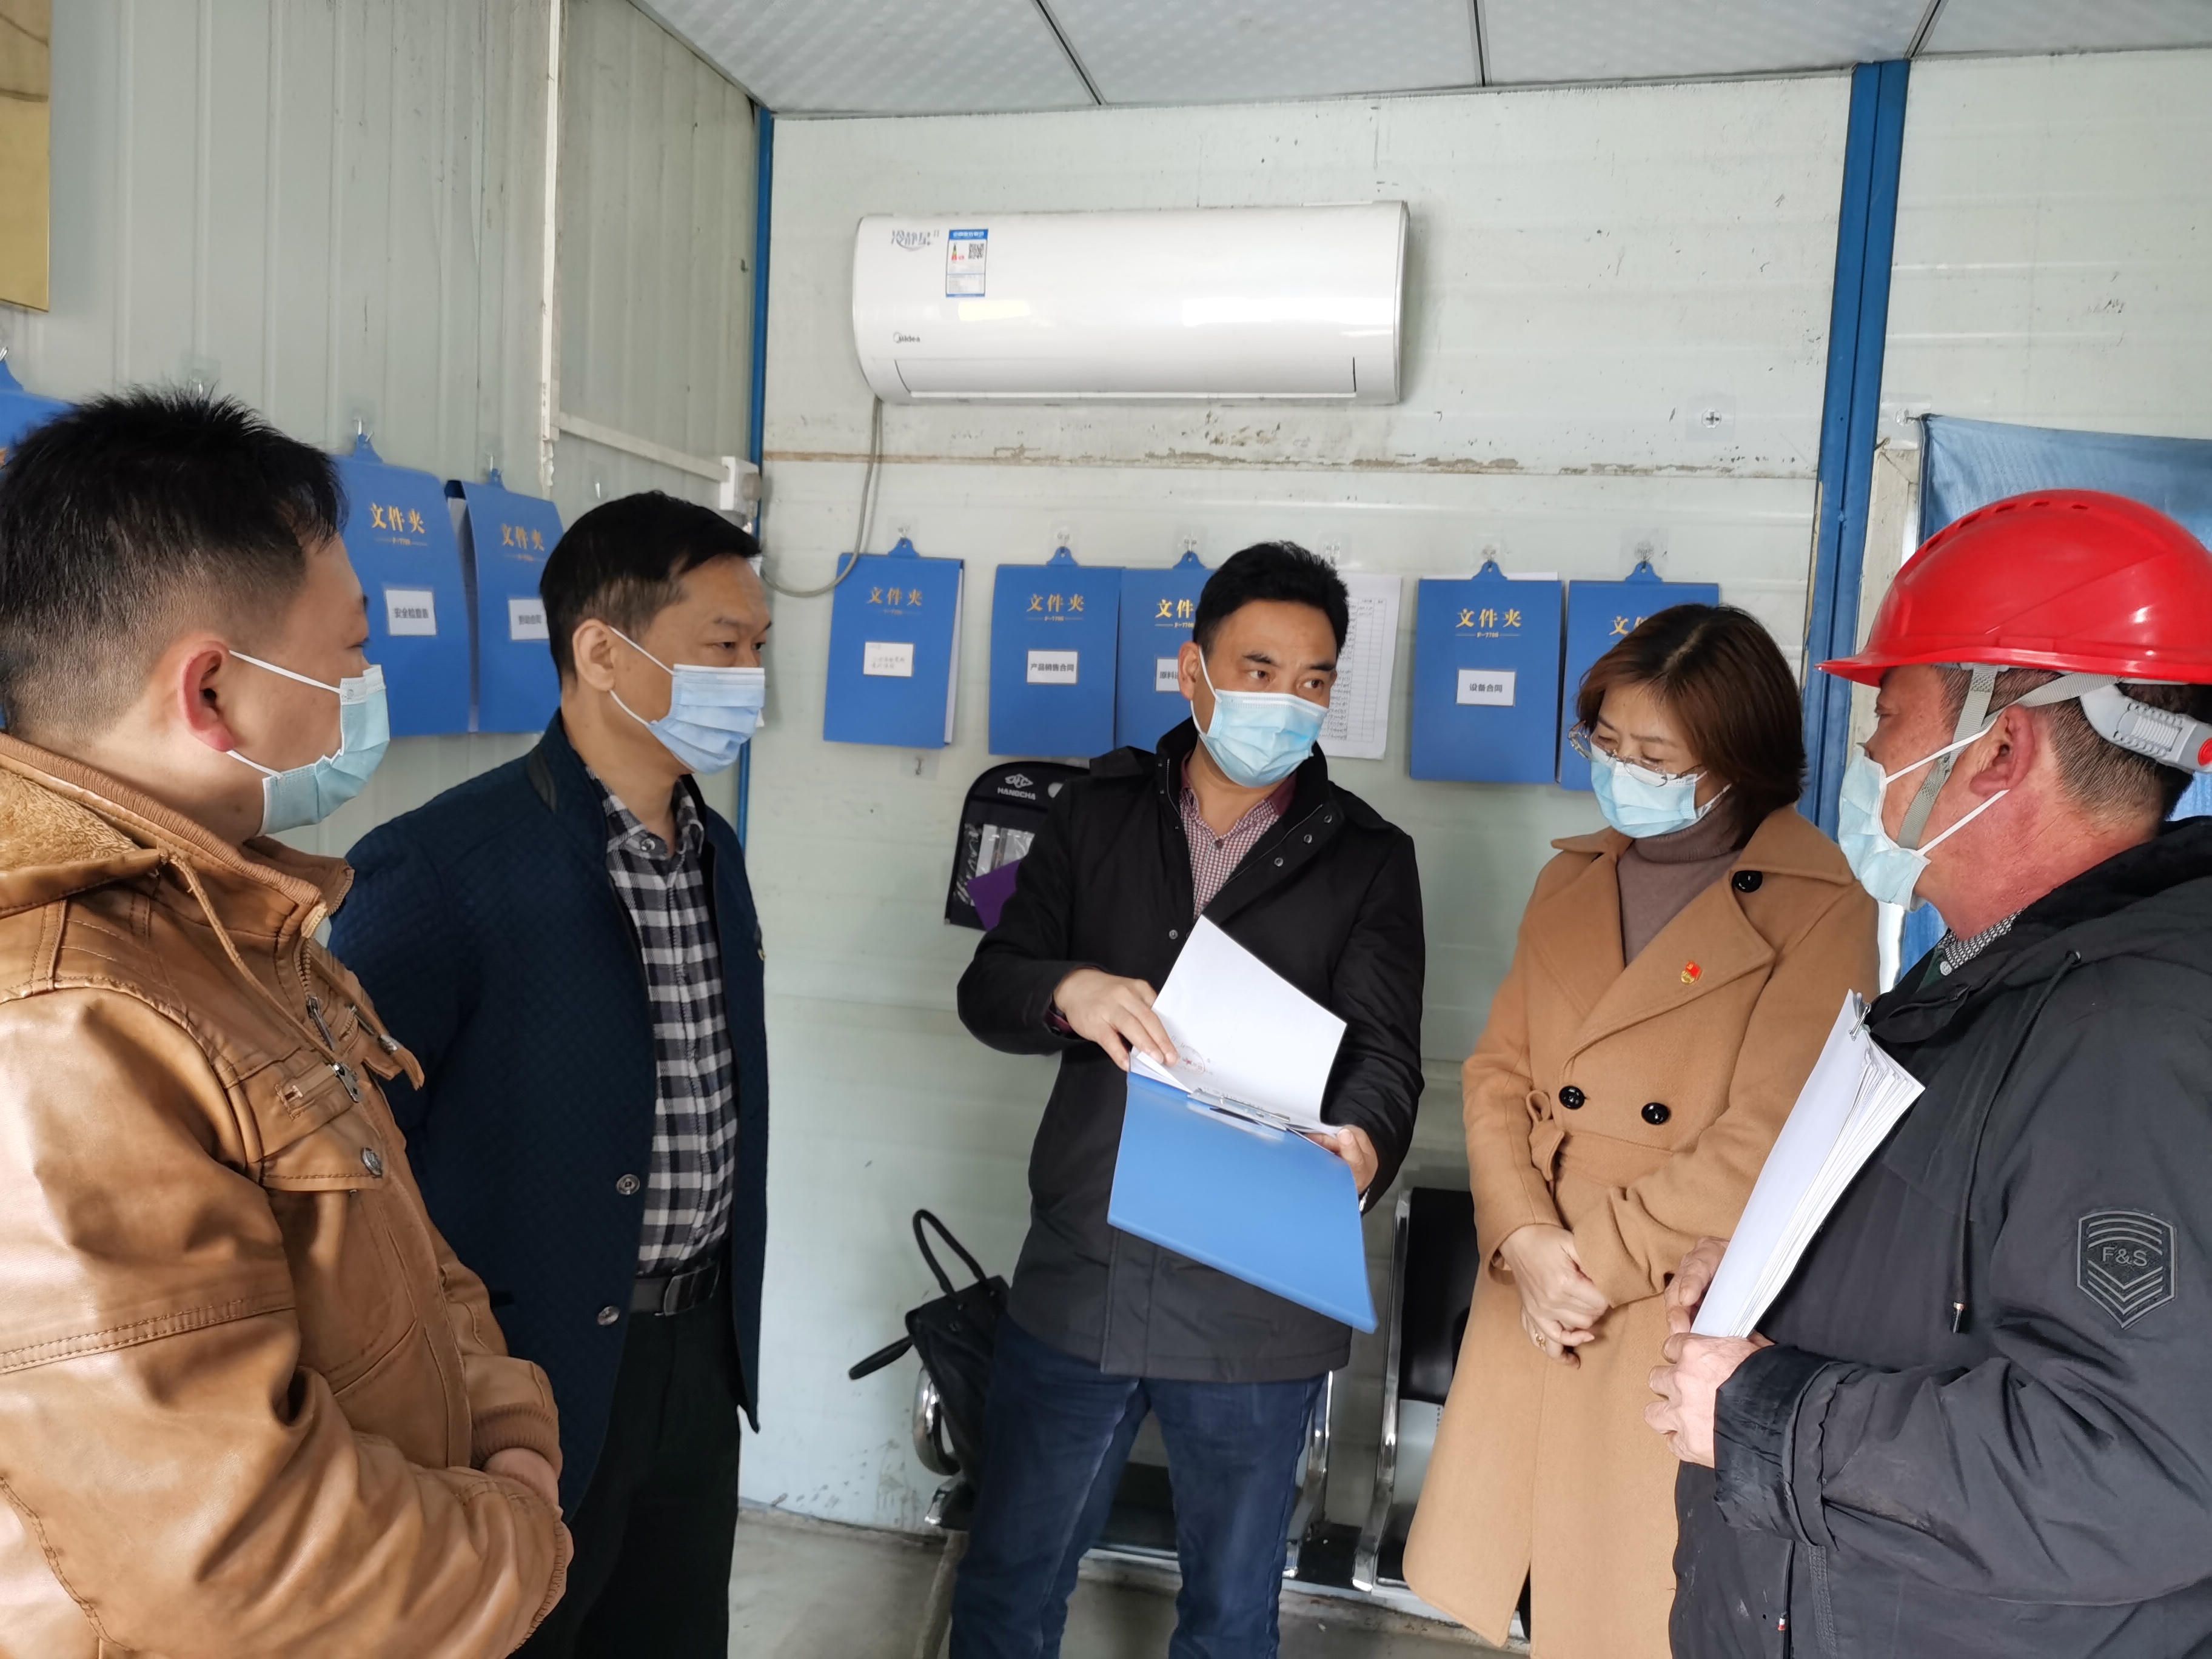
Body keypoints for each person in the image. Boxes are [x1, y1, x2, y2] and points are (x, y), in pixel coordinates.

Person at [0, 390, 568, 1655]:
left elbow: (406, 1261)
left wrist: (508, 1431)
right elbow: (236, 1564)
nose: (367, 686)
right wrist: (524, 1537)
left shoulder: (228, 928)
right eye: (351, 652)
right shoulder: (63, 1024)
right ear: (212, 692)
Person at [1650, 490, 2212, 1658]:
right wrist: (1773, 1281)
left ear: (2001, 751)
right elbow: (1969, 1270)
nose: (1866, 755)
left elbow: (2132, 1462)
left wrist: (1764, 1416)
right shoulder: (1990, 968)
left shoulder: (2131, 1035)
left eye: (1889, 716)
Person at [950, 540, 1426, 1659]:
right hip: (1086, 1267)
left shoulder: (1368, 856)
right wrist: (1068, 989)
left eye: (1313, 680)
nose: (1286, 701)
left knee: (1231, 1613)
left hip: (1257, 1291)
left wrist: (1363, 1141)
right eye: (1259, 670)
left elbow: (1386, 1055)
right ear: (1193, 670)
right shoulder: (1093, 813)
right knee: (1011, 1583)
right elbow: (990, 986)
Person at [329, 492, 772, 1658]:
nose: (751, 678)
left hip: (698, 1350)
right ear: (602, 651)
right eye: (725, 646)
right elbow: (355, 1161)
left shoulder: (713, 850)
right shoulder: (438, 867)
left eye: (759, 648)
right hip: (530, 1362)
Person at [1404, 605, 1877, 1658]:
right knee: (1525, 1589)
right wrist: (1524, 1238)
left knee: (1631, 1605)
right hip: (1536, 1283)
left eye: (1655, 757)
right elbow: (1498, 1075)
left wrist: (1589, 1265)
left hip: (1660, 1298)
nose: (1623, 774)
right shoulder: (1571, 877)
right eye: (1606, 743)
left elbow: (1774, 1134)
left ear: (1735, 760)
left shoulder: (1819, 905)